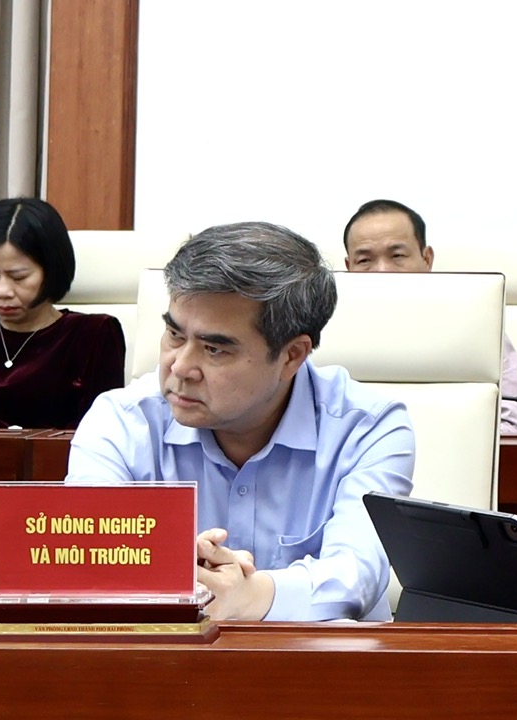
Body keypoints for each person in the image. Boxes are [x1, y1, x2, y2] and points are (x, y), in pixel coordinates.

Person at [66, 223, 415, 622]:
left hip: (320, 657)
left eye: (214, 349)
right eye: (175, 335)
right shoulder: (122, 421)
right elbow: (85, 560)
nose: (180, 367)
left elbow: (357, 573)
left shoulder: (369, 427)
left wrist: (251, 595)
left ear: (291, 355)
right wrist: (170, 566)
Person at [341, 198, 517, 400]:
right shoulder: (329, 325)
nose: (382, 271)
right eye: (364, 260)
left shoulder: (473, 323)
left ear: (427, 259)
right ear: (349, 266)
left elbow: (511, 408)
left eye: (397, 256)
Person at [0, 197, 125, 430]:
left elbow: (104, 431)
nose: (2, 291)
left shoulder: (94, 335)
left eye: (19, 277)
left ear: (51, 270)